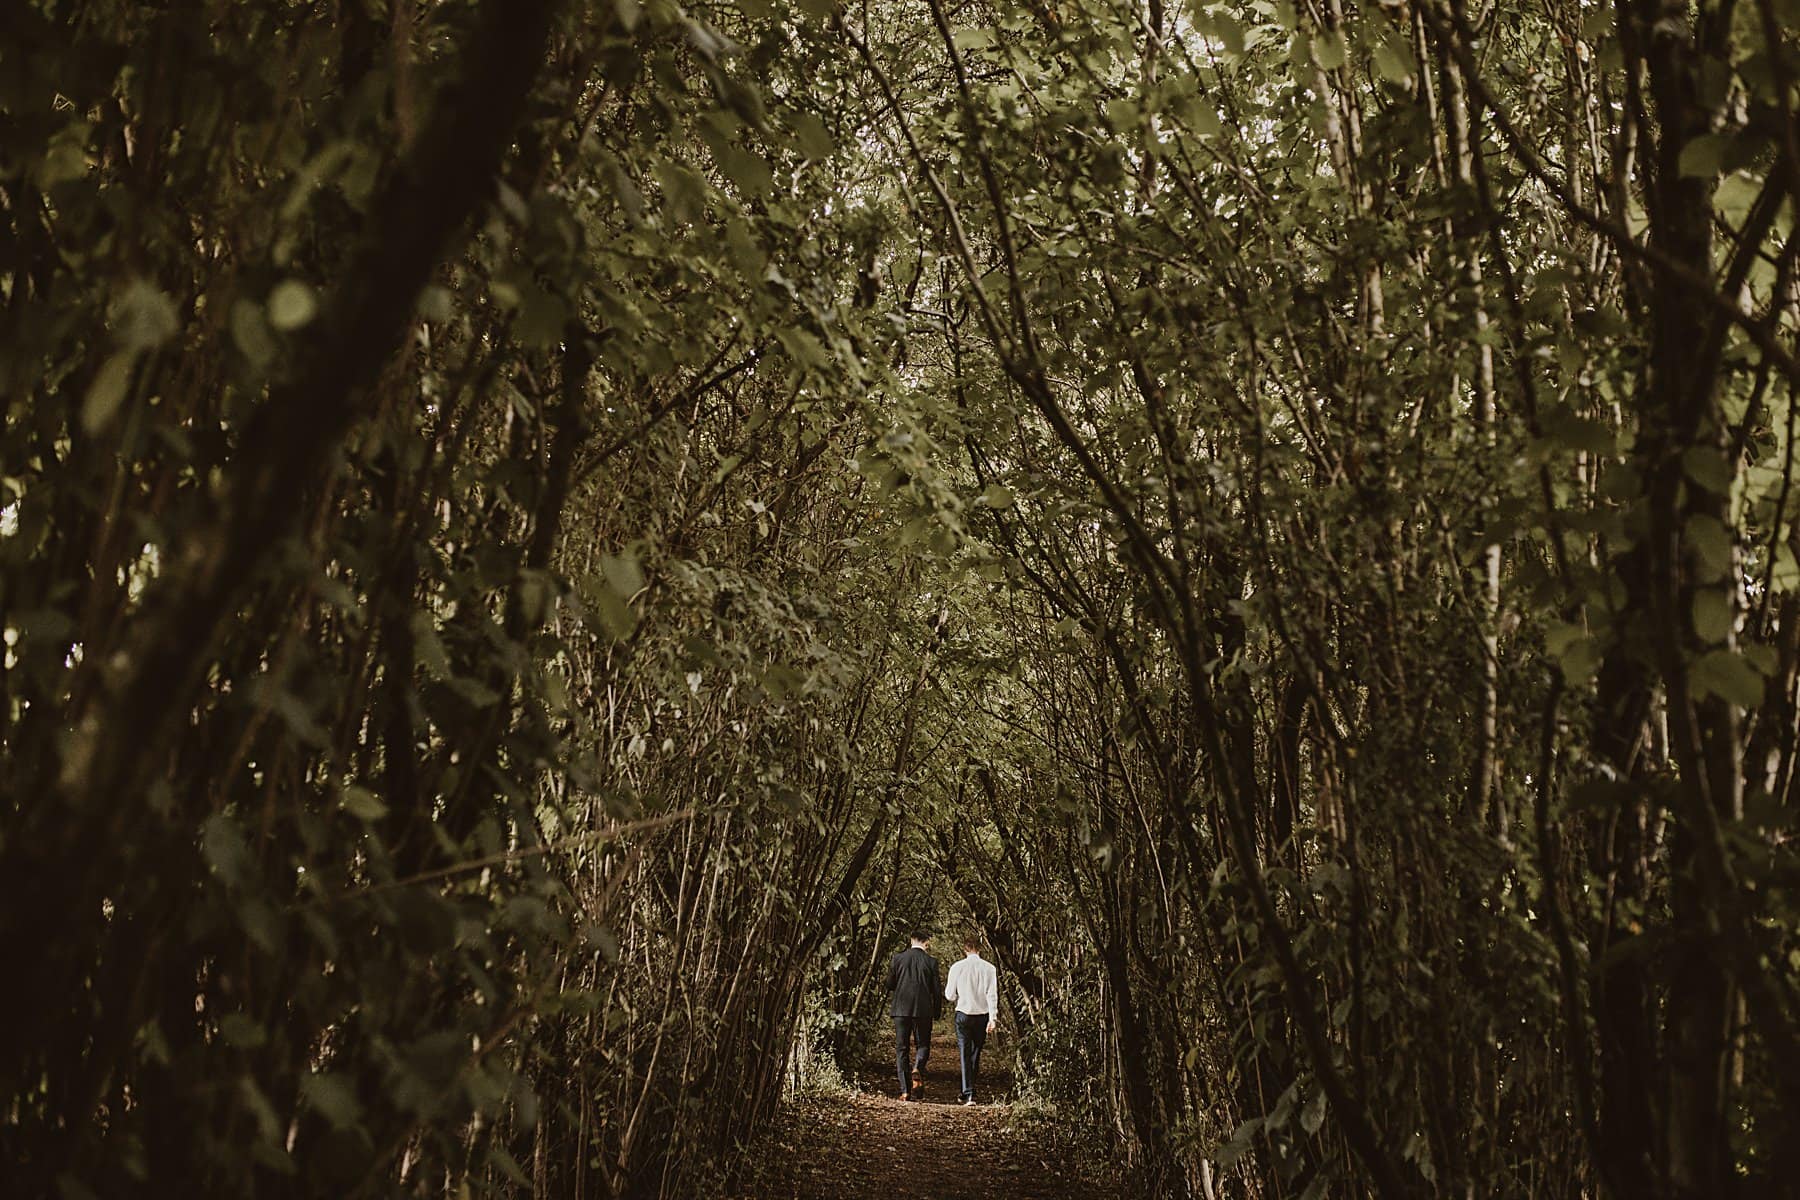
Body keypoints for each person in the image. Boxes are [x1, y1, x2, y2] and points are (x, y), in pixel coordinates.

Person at [943, 933, 999, 1105]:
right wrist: (993, 1018)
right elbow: (992, 995)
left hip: (963, 1014)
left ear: (964, 949)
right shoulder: (989, 968)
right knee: (975, 1054)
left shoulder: (957, 967)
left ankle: (968, 1092)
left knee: (964, 1053)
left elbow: (949, 995)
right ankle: (969, 1091)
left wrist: (961, 994)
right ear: (980, 948)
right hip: (981, 1015)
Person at [885, 930, 941, 1101]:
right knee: (923, 1044)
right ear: (926, 943)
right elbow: (936, 991)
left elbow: (889, 984)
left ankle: (905, 1090)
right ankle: (917, 1067)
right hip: (923, 1010)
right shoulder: (931, 962)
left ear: (911, 940)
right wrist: (936, 1011)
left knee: (902, 1048)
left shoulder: (898, 958)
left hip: (901, 1009)